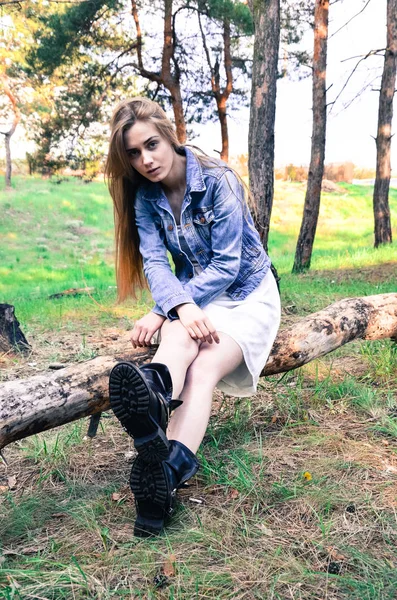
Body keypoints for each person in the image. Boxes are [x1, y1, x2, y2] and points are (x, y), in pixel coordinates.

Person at [105, 97, 281, 537]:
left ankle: (166, 460)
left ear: (169, 136)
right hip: (195, 299)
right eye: (133, 153)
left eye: (151, 146)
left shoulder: (218, 180)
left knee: (202, 368)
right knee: (180, 337)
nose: (145, 160)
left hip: (247, 296)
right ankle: (156, 408)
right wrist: (174, 306)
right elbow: (156, 264)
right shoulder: (145, 197)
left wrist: (172, 306)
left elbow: (227, 265)